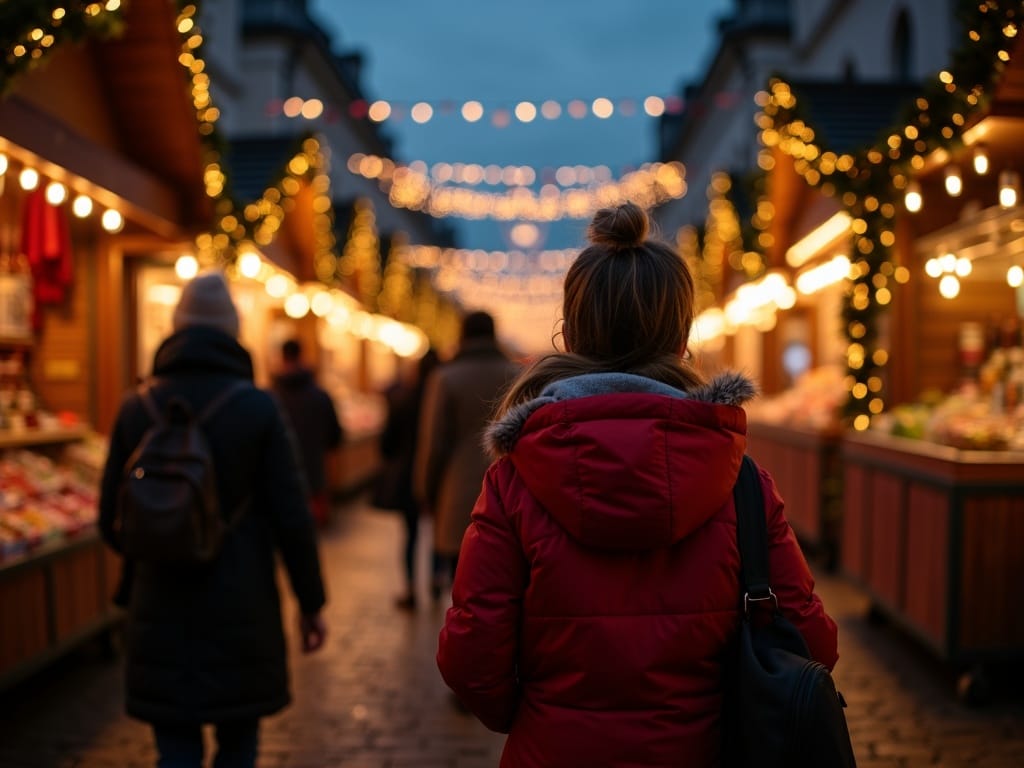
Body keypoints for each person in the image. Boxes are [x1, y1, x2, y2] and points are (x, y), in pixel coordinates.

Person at [436, 203, 838, 767]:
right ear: (681, 339)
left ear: (571, 332)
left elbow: (471, 655)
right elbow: (812, 642)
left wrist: (538, 718)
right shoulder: (740, 481)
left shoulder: (515, 478)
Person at [98, 271, 327, 768]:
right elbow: (293, 517)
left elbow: (106, 519)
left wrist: (162, 539)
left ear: (177, 329)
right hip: (241, 605)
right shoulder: (258, 408)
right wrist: (310, 603)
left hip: (157, 605)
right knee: (237, 746)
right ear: (232, 332)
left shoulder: (136, 407)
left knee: (174, 748)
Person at [413, 310, 519, 597]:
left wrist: (426, 491)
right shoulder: (516, 376)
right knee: (501, 585)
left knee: (461, 585)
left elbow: (433, 443)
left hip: (456, 494)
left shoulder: (445, 378)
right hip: (510, 495)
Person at [375, 347, 440, 611]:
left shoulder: (403, 398)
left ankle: (411, 588)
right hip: (437, 473)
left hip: (406, 476)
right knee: (438, 531)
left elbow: (387, 442)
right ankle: (437, 578)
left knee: (411, 534)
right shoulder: (441, 396)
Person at [271, 338, 344, 528]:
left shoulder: (271, 397)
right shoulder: (320, 397)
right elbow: (335, 438)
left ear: (282, 357)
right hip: (315, 477)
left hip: (279, 481)